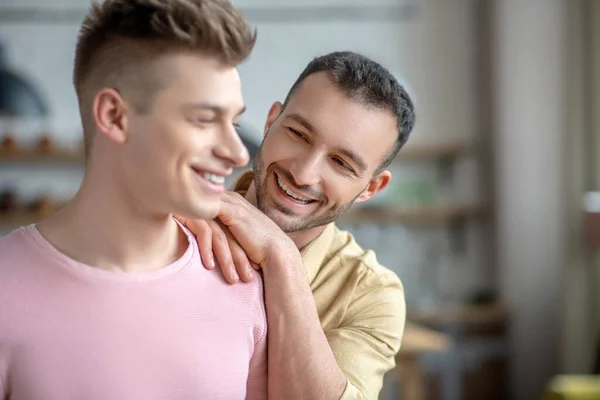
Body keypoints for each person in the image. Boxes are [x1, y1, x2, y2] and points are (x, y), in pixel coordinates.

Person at [0, 1, 267, 399]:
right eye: (205, 119)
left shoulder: (243, 286)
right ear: (114, 116)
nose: (238, 153)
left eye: (235, 122)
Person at [181, 51, 416, 399]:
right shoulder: (176, 219)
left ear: (371, 187)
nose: (303, 173)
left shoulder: (370, 294)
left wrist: (281, 257)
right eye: (298, 134)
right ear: (271, 121)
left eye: (340, 163)